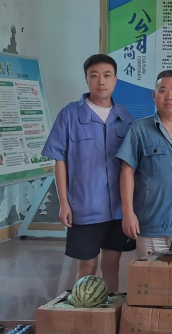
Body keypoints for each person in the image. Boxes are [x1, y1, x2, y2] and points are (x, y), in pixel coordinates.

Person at [42, 54, 135, 293]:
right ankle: (84, 310)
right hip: (84, 207)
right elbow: (60, 160)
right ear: (86, 79)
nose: (101, 81)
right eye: (94, 75)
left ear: (115, 80)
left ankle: (109, 311)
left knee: (112, 264)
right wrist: (64, 203)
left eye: (107, 75)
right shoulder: (70, 115)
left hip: (117, 209)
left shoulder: (125, 117)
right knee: (87, 266)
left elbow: (131, 165)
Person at [116, 70, 172, 257]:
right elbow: (127, 170)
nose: (169, 96)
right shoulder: (139, 129)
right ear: (154, 96)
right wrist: (128, 212)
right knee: (150, 275)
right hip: (151, 224)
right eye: (163, 91)